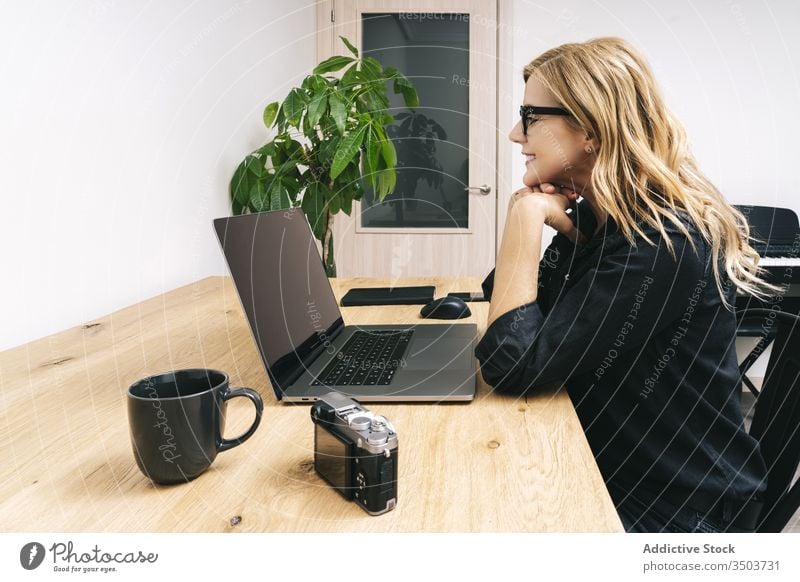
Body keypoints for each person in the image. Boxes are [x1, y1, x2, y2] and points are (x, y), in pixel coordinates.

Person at [475, 37, 775, 533]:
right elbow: (512, 309)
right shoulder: (608, 220)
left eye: (530, 116)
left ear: (589, 130)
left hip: (679, 508)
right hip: (624, 467)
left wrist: (525, 218)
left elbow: (515, 368)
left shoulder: (660, 242)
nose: (514, 133)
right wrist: (558, 231)